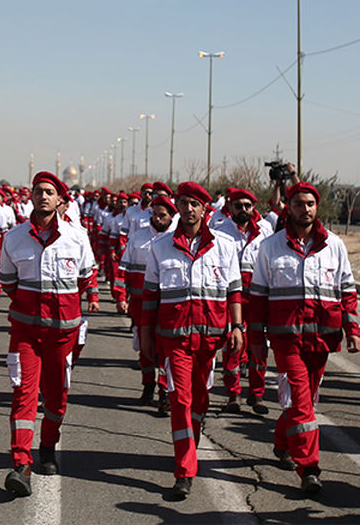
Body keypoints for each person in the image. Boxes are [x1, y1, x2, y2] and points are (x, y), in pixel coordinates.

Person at [247, 181, 360, 496]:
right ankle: (308, 467)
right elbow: (257, 297)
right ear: (288, 208)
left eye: (310, 203)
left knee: (306, 401)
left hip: (321, 340)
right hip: (286, 341)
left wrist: (353, 329)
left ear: (316, 207)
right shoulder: (270, 247)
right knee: (301, 401)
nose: (305, 209)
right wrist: (256, 338)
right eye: (299, 204)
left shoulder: (334, 245)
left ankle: (282, 442)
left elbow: (347, 290)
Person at [0, 172, 99, 497]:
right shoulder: (13, 238)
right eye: (38, 191)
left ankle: (47, 447)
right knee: (23, 394)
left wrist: (92, 300)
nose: (43, 196)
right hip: (25, 332)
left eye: (49, 192)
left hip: (62, 334)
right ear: (31, 196)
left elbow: (86, 279)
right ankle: (21, 463)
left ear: (59, 200)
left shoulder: (77, 236)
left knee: (56, 399)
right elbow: (8, 283)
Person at [141, 182, 243, 497]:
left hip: (211, 339)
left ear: (204, 208)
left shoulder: (225, 246)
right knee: (180, 401)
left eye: (194, 204)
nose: (188, 209)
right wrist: (146, 341)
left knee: (199, 400)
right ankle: (184, 470)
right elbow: (149, 301)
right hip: (175, 341)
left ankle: (191, 441)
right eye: (183, 203)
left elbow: (234, 291)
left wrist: (237, 326)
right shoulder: (159, 247)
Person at [211, 188, 272, 414]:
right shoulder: (219, 232)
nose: (244, 209)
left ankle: (257, 395)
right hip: (231, 300)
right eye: (239, 206)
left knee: (258, 349)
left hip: (256, 300)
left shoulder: (265, 232)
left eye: (248, 205)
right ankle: (233, 394)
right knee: (232, 347)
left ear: (253, 207)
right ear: (230, 207)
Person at [116, 194, 176, 407]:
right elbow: (123, 269)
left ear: (171, 217)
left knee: (165, 349)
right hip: (141, 302)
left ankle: (165, 391)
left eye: (163, 216)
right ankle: (148, 384)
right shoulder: (138, 237)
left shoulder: (175, 240)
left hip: (167, 303)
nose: (158, 219)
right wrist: (121, 297)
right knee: (146, 347)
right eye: (155, 215)